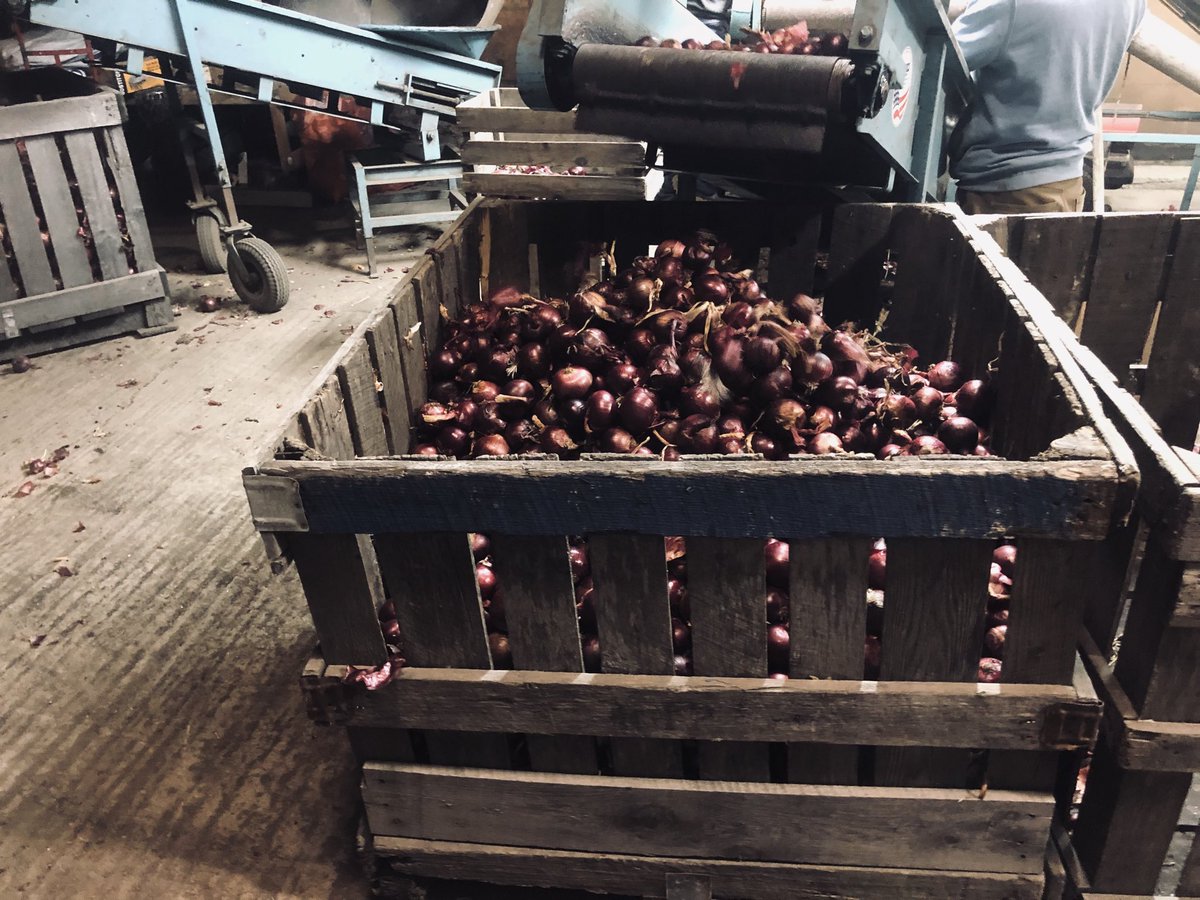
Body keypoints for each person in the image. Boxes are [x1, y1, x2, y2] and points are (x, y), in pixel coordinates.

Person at [949, 0, 1145, 214]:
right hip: (1066, 181)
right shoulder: (1133, 4)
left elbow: (938, 55)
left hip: (1006, 187)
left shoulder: (1012, 4)